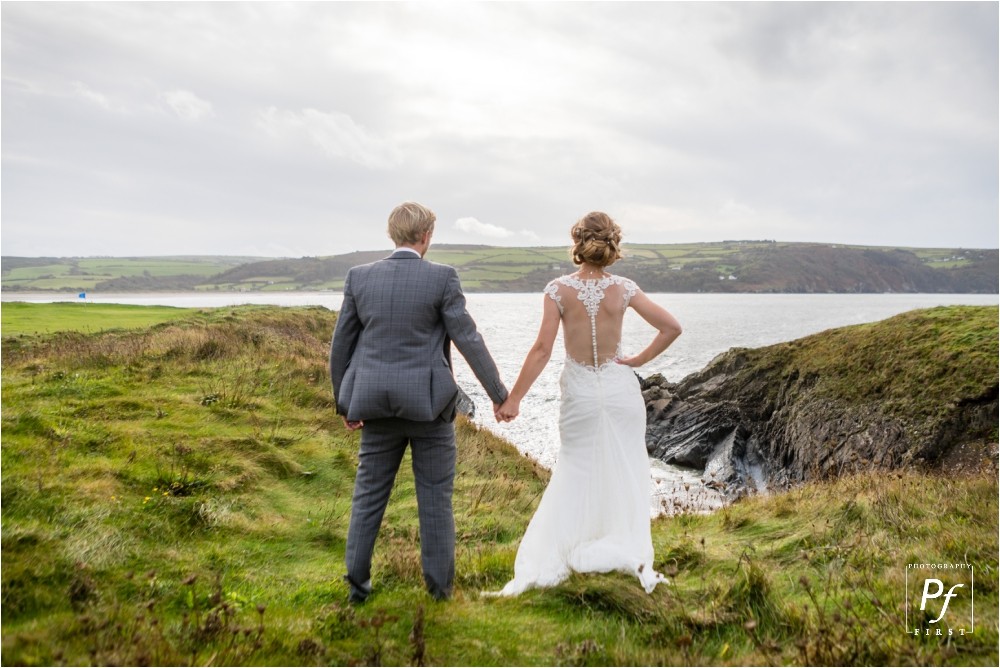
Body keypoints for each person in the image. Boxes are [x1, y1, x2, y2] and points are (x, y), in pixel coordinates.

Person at [491, 211, 682, 596]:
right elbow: (672, 327)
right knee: (624, 469)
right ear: (612, 244)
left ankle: (572, 549)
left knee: (576, 469)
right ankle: (620, 547)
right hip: (619, 390)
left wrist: (514, 399)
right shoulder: (625, 288)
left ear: (578, 243)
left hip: (580, 392)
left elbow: (543, 348)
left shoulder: (557, 290)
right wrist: (639, 361)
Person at [329, 201, 509, 603]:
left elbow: (341, 346)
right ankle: (440, 592)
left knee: (368, 496)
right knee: (434, 499)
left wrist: (346, 404)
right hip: (430, 410)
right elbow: (469, 340)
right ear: (426, 235)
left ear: (392, 234)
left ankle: (357, 588)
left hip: (374, 406)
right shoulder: (443, 278)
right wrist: (499, 395)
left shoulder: (359, 277)